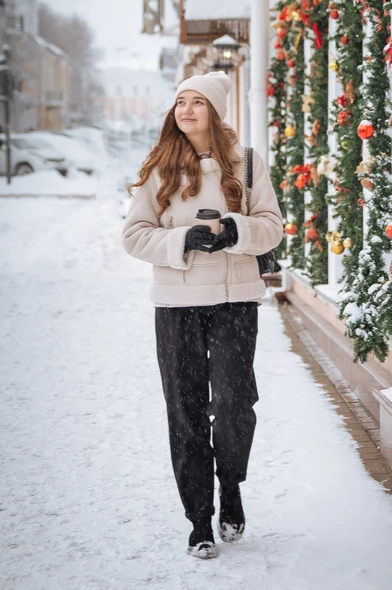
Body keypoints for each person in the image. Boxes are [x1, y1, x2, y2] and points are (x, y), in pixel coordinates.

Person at [122, 71, 283, 559]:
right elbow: (134, 235)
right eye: (180, 102)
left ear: (215, 111)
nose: (186, 110)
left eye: (197, 102)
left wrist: (235, 231)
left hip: (234, 301)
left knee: (235, 405)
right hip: (178, 306)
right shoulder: (160, 167)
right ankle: (199, 519)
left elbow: (272, 226)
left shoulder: (247, 163)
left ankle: (230, 486)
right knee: (185, 412)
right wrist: (180, 240)